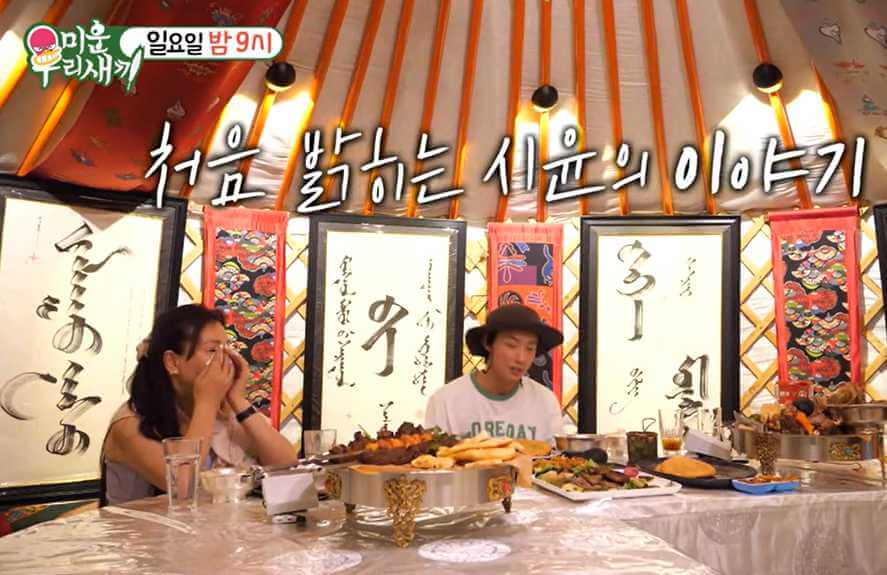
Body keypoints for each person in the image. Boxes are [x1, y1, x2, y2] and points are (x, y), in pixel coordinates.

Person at [101, 304, 298, 505]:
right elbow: (182, 486)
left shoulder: (223, 412)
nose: (226, 359)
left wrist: (238, 400)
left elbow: (286, 466)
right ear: (172, 362)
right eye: (212, 350)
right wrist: (207, 402)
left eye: (227, 349)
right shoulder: (128, 425)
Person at [425, 304, 564, 442]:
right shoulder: (446, 401)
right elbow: (432, 453)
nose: (521, 358)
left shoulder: (545, 402)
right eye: (511, 345)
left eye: (530, 348)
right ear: (488, 343)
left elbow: (556, 454)